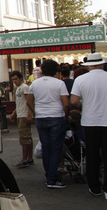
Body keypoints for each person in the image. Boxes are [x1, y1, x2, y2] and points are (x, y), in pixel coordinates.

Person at [28, 58, 70, 189]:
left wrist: (35, 112)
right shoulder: (59, 83)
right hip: (56, 116)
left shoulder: (34, 84)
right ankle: (52, 178)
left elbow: (29, 101)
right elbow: (66, 103)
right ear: (56, 70)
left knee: (46, 147)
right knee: (56, 148)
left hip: (41, 117)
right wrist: (66, 115)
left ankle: (49, 175)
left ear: (42, 70)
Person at [70, 53, 107, 198]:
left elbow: (74, 101)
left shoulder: (81, 79)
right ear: (102, 64)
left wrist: (83, 104)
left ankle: (94, 186)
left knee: (92, 154)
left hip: (90, 121)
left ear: (89, 65)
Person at [9, 70, 35, 168]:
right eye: (13, 80)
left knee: (24, 138)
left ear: (20, 78)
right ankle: (29, 158)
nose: (14, 81)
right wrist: (13, 113)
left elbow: (29, 101)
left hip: (24, 115)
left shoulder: (24, 87)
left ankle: (25, 159)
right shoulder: (18, 89)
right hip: (20, 114)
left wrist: (30, 114)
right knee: (27, 137)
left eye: (16, 79)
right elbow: (19, 103)